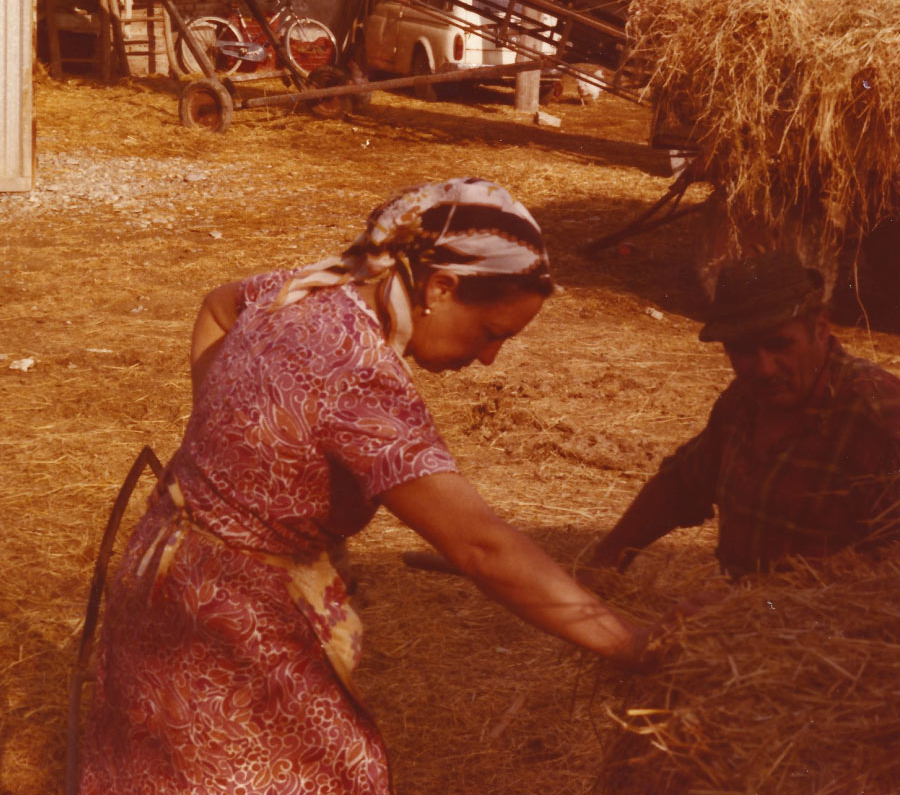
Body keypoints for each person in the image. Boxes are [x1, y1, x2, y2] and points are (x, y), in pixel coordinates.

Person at [78, 178, 651, 795]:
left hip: (167, 573)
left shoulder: (311, 291)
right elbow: (481, 547)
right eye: (493, 334)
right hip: (225, 619)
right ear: (442, 287)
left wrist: (224, 453)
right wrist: (633, 646)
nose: (490, 360)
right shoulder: (357, 377)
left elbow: (219, 306)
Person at [583, 250, 900, 581]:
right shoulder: (743, 401)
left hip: (825, 626)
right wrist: (608, 557)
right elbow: (682, 483)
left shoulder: (875, 412)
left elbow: (889, 575)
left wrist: (753, 607)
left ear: (820, 328)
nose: (763, 368)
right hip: (747, 619)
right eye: (744, 350)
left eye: (779, 344)